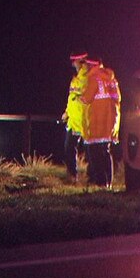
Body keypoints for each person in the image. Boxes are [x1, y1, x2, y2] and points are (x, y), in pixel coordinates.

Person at [80, 55, 121, 188]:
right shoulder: (111, 78)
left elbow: (86, 98)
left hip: (97, 121)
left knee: (95, 153)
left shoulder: (93, 78)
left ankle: (100, 182)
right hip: (110, 121)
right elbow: (117, 98)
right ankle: (109, 182)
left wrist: (79, 97)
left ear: (92, 65)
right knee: (106, 151)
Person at [61, 50, 89, 183]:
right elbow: (72, 98)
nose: (72, 64)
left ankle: (86, 177)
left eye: (74, 61)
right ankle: (73, 176)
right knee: (69, 148)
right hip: (73, 120)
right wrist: (67, 112)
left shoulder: (87, 78)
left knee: (89, 150)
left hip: (83, 120)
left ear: (80, 61)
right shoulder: (76, 78)